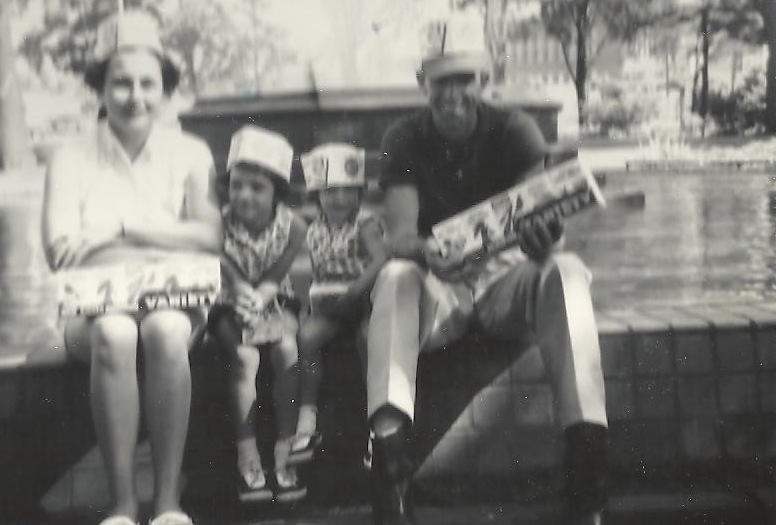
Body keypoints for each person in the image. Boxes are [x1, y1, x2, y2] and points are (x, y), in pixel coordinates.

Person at [366, 13, 608, 525]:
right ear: (421, 83)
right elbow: (400, 234)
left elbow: (540, 217)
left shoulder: (515, 129)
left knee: (566, 269)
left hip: (503, 282)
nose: (453, 94)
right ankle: (389, 455)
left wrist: (547, 238)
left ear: (485, 80)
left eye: (465, 79)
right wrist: (425, 249)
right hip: (439, 290)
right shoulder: (404, 136)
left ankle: (586, 457)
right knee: (392, 278)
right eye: (441, 81)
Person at [41, 10, 222, 525]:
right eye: (120, 83)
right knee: (117, 331)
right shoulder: (69, 157)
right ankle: (122, 505)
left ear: (166, 90)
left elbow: (210, 237)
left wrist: (119, 231)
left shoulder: (189, 152)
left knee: (165, 329)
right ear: (99, 88)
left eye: (149, 83)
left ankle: (167, 503)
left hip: (177, 306)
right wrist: (168, 243)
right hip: (94, 315)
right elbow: (61, 250)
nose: (135, 96)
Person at [206, 125, 308, 504]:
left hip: (272, 299)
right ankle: (247, 456)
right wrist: (239, 293)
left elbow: (277, 276)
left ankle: (285, 450)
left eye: (257, 187)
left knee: (286, 351)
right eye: (237, 185)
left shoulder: (293, 226)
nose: (244, 195)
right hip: (229, 303)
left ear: (277, 191)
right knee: (245, 356)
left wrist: (259, 297)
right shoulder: (219, 223)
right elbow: (219, 265)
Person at [291, 144, 388, 464]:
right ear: (316, 194)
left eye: (349, 190)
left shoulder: (365, 223)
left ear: (360, 193)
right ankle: (307, 418)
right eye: (331, 191)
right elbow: (313, 272)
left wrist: (358, 290)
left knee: (366, 339)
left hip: (364, 297)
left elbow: (380, 260)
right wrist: (310, 303)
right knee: (306, 338)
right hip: (332, 304)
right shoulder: (315, 228)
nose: (341, 198)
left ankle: (377, 422)